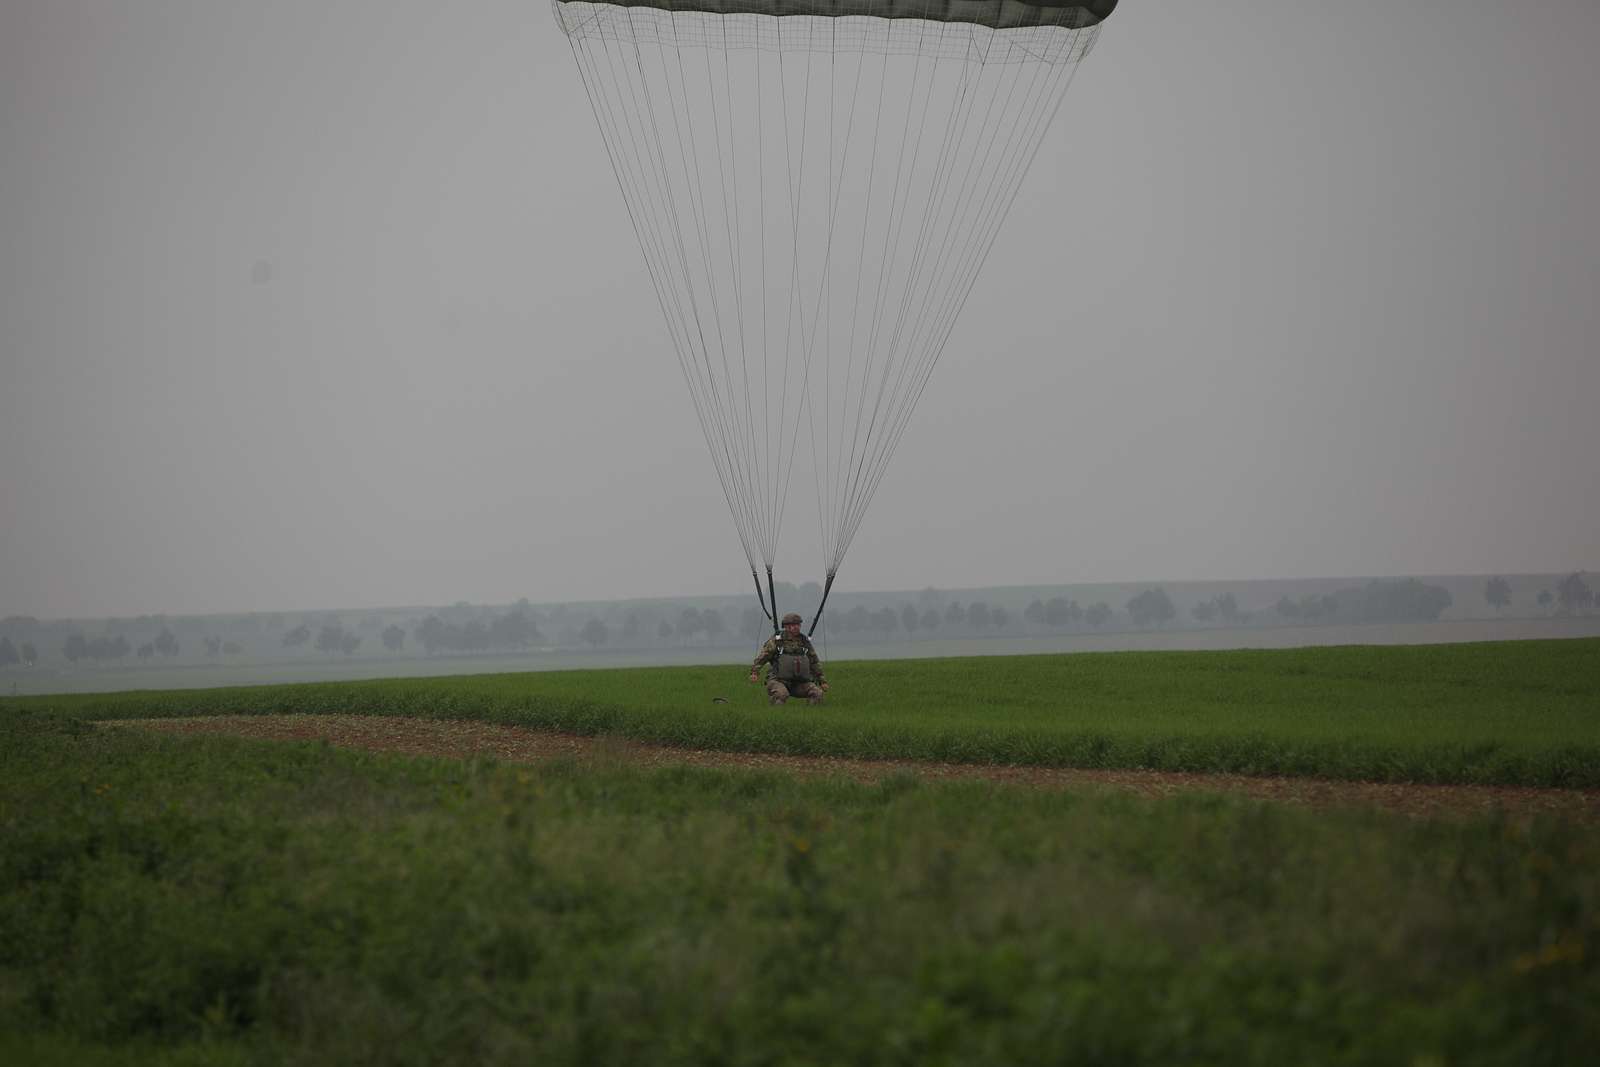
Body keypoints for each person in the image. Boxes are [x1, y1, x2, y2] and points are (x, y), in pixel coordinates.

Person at [749, 612, 829, 705]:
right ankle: (776, 715)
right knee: (782, 694)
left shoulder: (804, 642)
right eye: (793, 625)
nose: (796, 627)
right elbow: (763, 657)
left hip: (798, 683)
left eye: (798, 624)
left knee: (817, 693)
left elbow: (814, 661)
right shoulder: (777, 640)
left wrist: (822, 681)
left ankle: (810, 716)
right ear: (786, 627)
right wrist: (755, 672)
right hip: (777, 681)